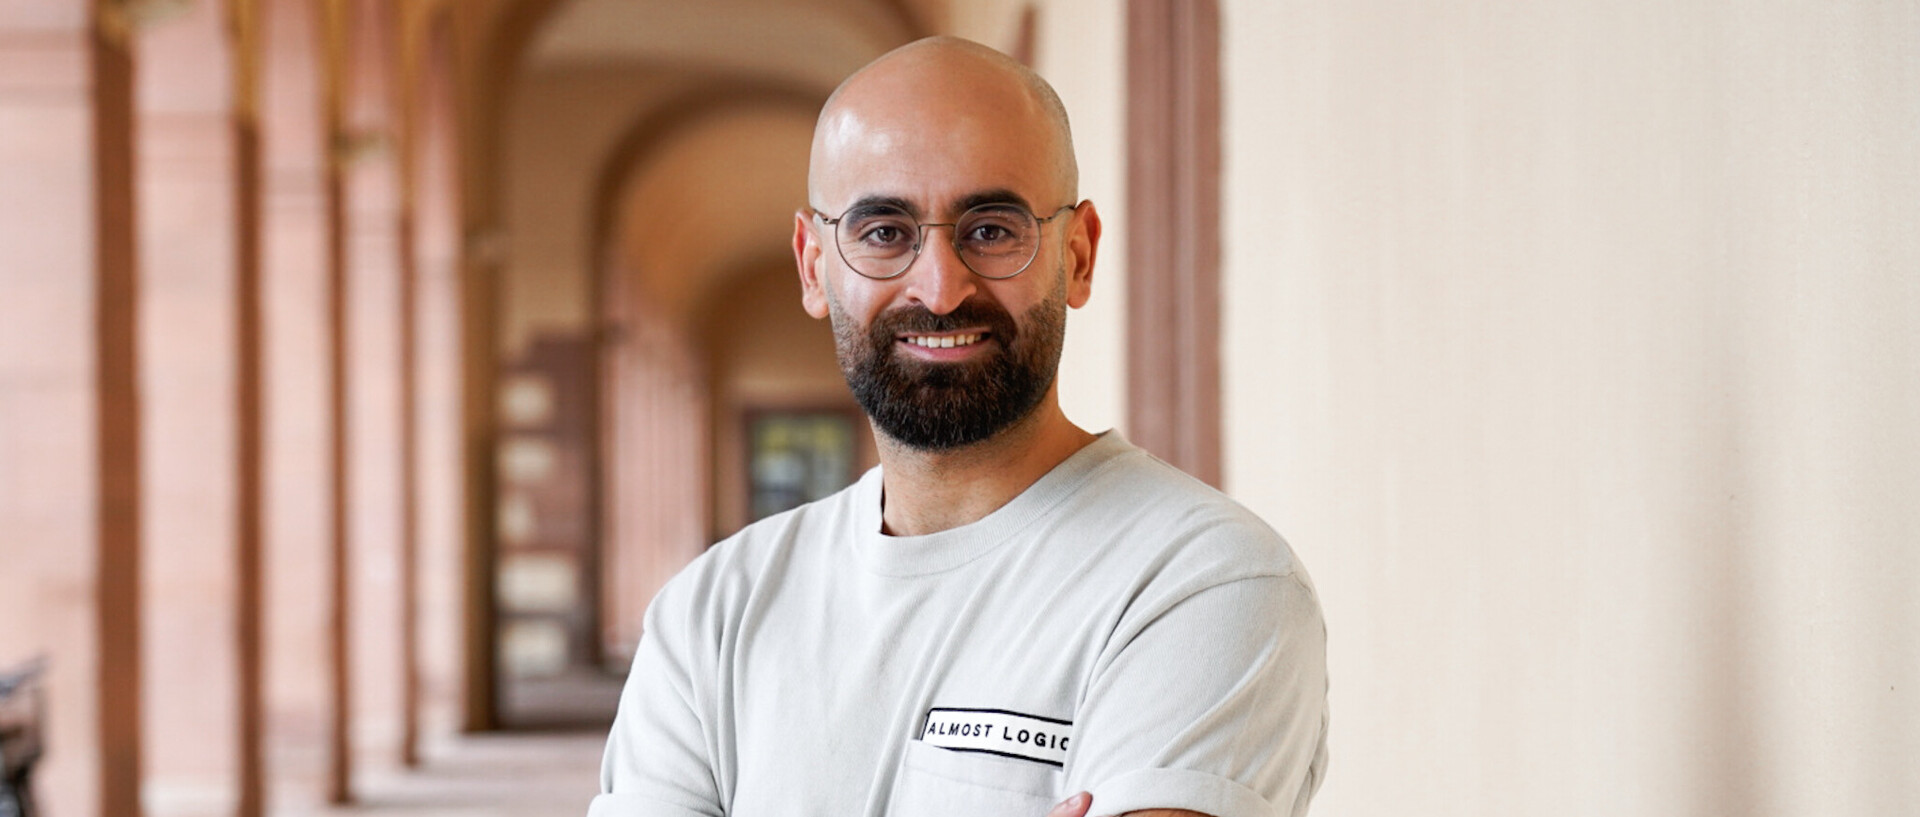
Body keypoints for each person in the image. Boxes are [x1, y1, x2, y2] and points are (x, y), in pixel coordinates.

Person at [589, 36, 1327, 817]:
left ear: (1076, 256)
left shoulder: (1202, 582)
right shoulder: (710, 614)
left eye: (991, 229)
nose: (940, 290)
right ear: (814, 265)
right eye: (884, 233)